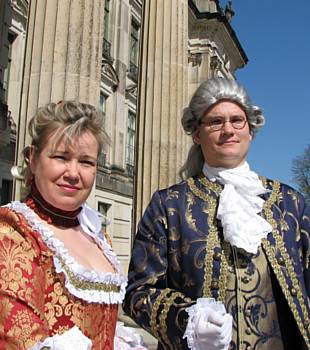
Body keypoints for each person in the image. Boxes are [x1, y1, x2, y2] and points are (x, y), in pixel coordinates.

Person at [123, 77, 310, 350]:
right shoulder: (169, 205)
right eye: (215, 122)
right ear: (197, 134)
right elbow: (138, 293)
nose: (228, 130)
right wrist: (187, 320)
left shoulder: (290, 203)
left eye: (237, 120)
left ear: (251, 130)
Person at [0, 101, 127, 349]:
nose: (73, 172)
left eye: (86, 162)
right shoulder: (13, 230)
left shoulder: (97, 236)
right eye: (61, 157)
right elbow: (18, 337)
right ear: (33, 159)